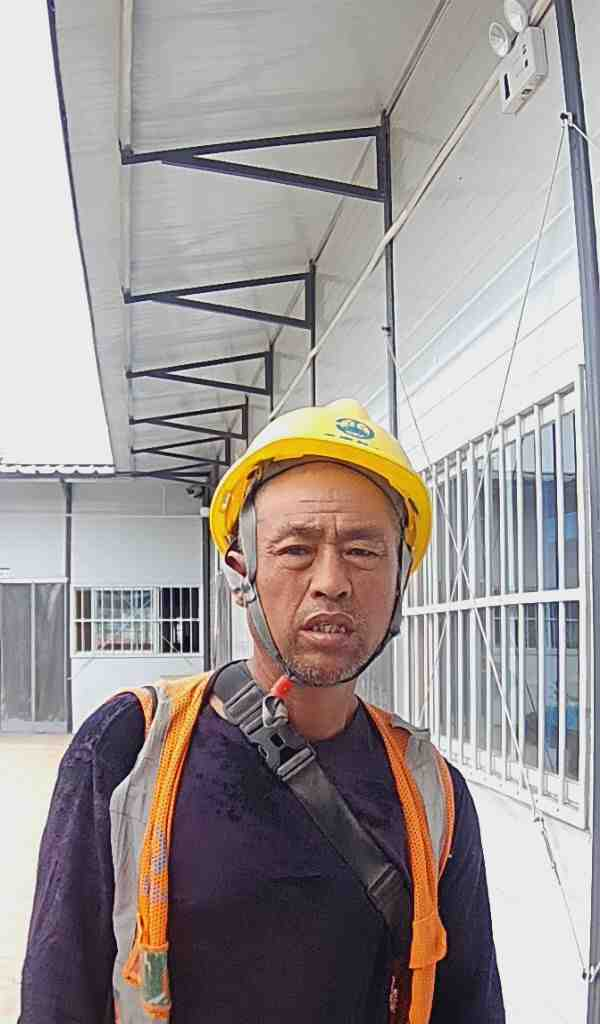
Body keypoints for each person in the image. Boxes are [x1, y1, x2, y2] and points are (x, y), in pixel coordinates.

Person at [20, 399, 505, 1023]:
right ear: (239, 575)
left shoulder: (430, 791)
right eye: (296, 549)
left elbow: (469, 1005)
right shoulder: (130, 749)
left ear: (401, 580)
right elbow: (57, 998)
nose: (331, 581)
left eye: (363, 551)